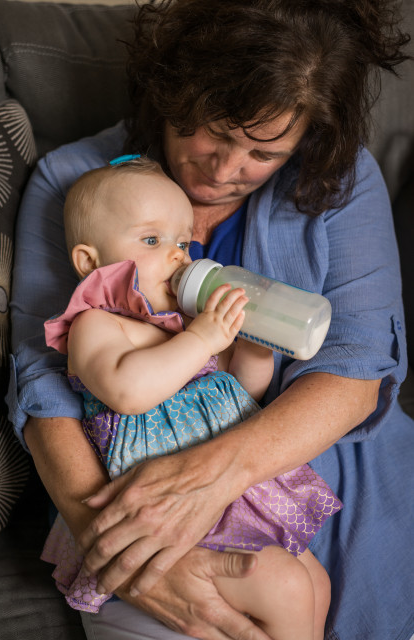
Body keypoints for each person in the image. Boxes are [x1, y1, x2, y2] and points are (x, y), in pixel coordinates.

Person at [7, 1, 414, 639]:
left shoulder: (337, 178)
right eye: (213, 131)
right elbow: (44, 384)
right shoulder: (77, 186)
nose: (225, 171)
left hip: (324, 464)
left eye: (264, 152)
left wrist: (219, 466)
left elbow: (357, 365)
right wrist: (115, 545)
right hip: (137, 479)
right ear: (172, 92)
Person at [41, 157, 342, 640]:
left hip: (222, 497)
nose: (178, 257)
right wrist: (202, 340)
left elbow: (239, 393)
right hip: (159, 509)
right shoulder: (96, 325)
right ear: (90, 262)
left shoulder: (182, 329)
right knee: (285, 587)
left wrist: (252, 344)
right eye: (152, 241)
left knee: (317, 584)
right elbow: (129, 392)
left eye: (183, 243)